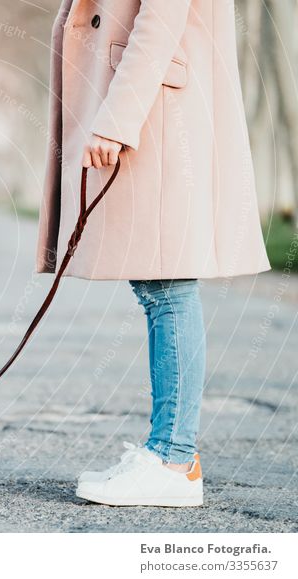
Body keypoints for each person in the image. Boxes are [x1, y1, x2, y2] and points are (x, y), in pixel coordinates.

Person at [36, 0, 271, 506]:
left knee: (167, 284)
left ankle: (173, 459)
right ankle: (170, 454)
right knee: (158, 283)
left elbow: (160, 21)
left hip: (156, 111)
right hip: (152, 106)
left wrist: (116, 118)